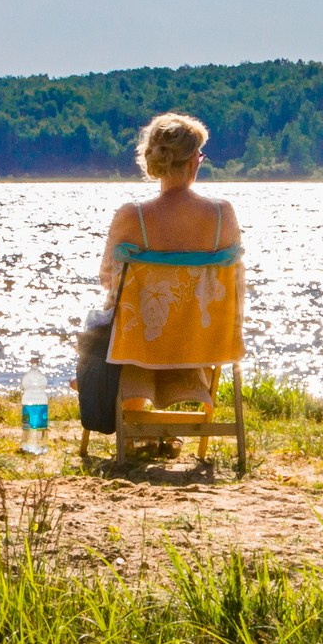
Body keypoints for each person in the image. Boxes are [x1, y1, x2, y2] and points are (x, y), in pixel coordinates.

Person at [102, 112, 243, 421]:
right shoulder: (222, 214)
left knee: (118, 323)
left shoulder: (132, 216)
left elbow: (108, 279)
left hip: (140, 345)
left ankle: (134, 426)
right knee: (160, 323)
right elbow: (234, 283)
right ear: (193, 161)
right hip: (203, 342)